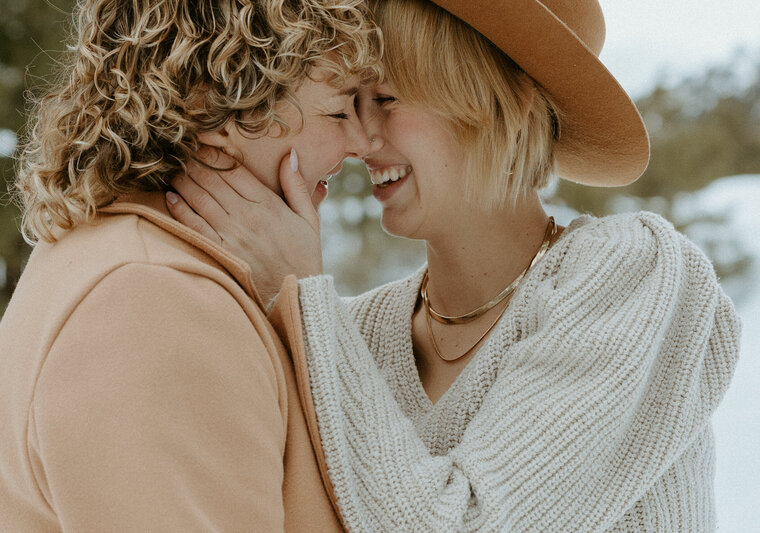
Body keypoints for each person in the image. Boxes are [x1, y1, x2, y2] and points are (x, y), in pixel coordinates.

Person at [167, 0, 742, 530]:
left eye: (386, 100)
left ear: (500, 104)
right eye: (350, 106)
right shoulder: (355, 332)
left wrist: (294, 286)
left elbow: (468, 522)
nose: (362, 141)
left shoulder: (634, 275)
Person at [0, 0, 381, 531]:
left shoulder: (116, 254)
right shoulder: (154, 301)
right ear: (213, 110)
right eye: (339, 110)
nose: (363, 143)